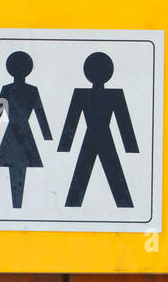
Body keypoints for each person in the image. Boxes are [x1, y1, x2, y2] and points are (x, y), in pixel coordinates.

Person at [57, 52, 138, 207]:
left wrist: (65, 146)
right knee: (84, 179)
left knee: (89, 178)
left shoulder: (111, 94)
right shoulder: (86, 94)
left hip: (98, 138)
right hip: (100, 138)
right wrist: (130, 147)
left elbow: (123, 121)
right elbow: (72, 121)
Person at [0, 51, 52, 209]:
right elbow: (39, 115)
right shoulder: (27, 90)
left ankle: (17, 206)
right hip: (22, 133)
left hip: (14, 134)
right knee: (18, 168)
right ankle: (17, 206)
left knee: (16, 168)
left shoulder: (10, 89)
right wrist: (46, 135)